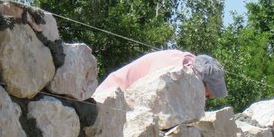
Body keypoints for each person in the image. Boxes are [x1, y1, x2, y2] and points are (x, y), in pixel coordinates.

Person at [93, 49, 227, 101]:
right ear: (201, 81)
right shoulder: (170, 72)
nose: (206, 97)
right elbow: (150, 102)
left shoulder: (189, 67)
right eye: (208, 94)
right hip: (106, 100)